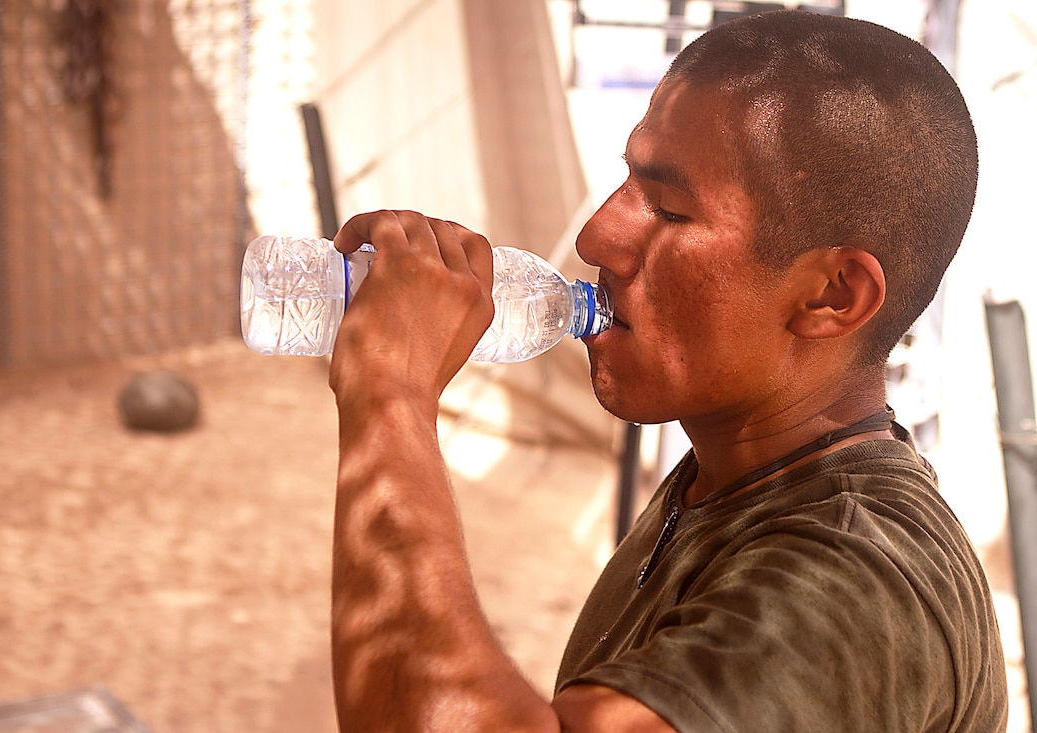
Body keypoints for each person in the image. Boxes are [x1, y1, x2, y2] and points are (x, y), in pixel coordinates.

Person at [325, 9, 1008, 732]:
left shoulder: (861, 584)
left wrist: (393, 393)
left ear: (832, 295)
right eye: (628, 180)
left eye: (671, 212)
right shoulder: (730, 470)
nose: (599, 235)